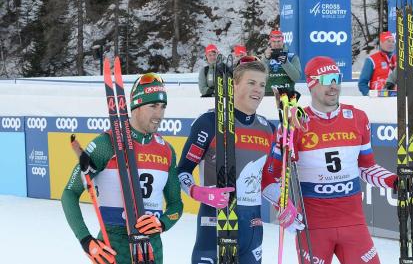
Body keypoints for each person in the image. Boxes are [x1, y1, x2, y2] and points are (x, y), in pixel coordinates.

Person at [262, 56, 413, 264]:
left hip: (353, 223)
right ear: (311, 84)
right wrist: (283, 205)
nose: (333, 86)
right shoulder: (294, 122)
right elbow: (269, 177)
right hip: (313, 226)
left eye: (336, 78)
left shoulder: (358, 118)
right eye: (326, 80)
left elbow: (366, 168)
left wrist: (398, 182)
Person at [177, 57, 292, 264]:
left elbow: (266, 178)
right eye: (251, 83)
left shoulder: (268, 129)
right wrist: (198, 191)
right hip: (214, 222)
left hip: (252, 224)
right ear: (234, 84)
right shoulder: (208, 122)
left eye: (262, 84)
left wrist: (282, 202)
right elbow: (182, 171)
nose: (258, 89)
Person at [61, 73, 183, 264]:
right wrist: (86, 240)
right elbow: (69, 193)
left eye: (162, 106)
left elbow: (176, 205)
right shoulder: (106, 144)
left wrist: (163, 223)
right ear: (135, 106)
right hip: (113, 248)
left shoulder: (166, 150)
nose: (159, 114)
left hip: (152, 251)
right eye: (153, 106)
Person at [261, 30, 301, 96]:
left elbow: (296, 78)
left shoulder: (292, 56)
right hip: (268, 95)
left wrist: (286, 63)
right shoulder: (265, 57)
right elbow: (261, 77)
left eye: (279, 41)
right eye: (274, 41)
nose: (276, 44)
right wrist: (266, 59)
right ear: (270, 42)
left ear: (283, 41)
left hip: (287, 94)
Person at [358, 31, 396, 95]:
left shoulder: (399, 60)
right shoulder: (371, 60)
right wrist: (369, 95)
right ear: (381, 43)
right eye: (388, 41)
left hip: (397, 99)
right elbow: (362, 83)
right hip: (378, 99)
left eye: (393, 42)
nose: (391, 44)